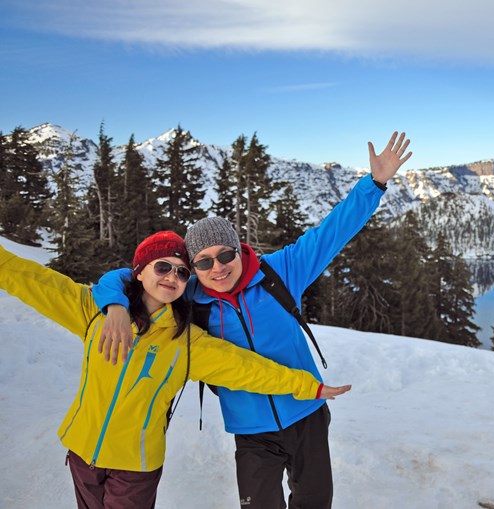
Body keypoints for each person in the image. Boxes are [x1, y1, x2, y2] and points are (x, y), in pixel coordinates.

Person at [93, 131, 412, 508]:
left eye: (225, 255)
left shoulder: (280, 272)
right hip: (252, 431)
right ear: (194, 267)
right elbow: (123, 278)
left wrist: (374, 184)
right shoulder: (191, 296)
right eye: (204, 262)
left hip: (306, 413)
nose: (218, 268)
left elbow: (333, 232)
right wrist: (114, 306)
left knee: (314, 502)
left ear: (239, 250)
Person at [0, 231, 350, 509]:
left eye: (182, 272)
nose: (172, 276)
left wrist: (309, 386)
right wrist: (115, 305)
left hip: (135, 464)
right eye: (162, 267)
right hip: (82, 454)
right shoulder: (94, 311)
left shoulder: (186, 342)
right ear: (140, 272)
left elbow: (247, 369)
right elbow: (29, 278)